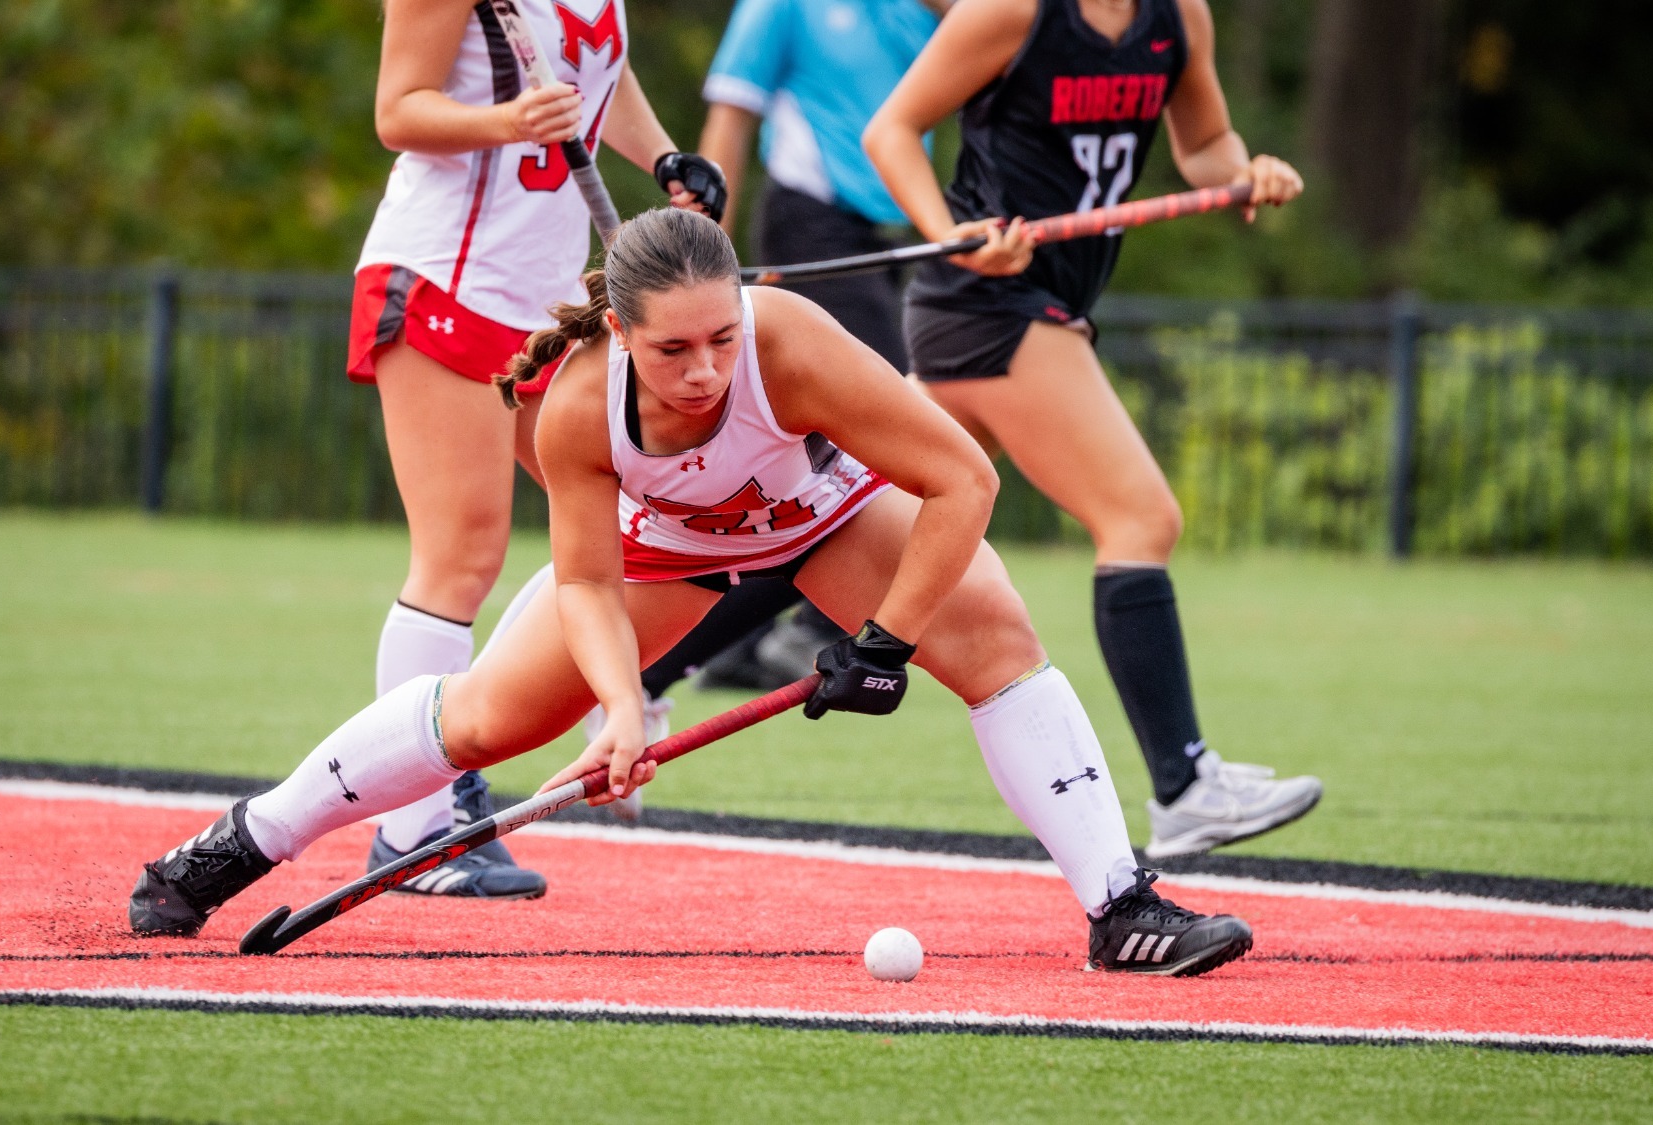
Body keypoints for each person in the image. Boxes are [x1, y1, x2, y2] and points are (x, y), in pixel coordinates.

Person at [130, 208, 1255, 977]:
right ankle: (241, 842)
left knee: (999, 645)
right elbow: (583, 579)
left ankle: (1121, 907)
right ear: (618, 332)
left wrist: (886, 641)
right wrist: (622, 710)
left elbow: (965, 479)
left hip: (829, 514)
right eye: (673, 350)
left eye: (722, 337)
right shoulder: (572, 410)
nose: (706, 370)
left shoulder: (793, 348)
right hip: (669, 545)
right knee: (482, 719)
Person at [863, 0, 1322, 858]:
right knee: (1141, 518)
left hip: (1024, 308)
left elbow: (1203, 147)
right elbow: (891, 130)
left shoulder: (1179, 17)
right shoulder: (1012, 13)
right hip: (991, 302)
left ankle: (651, 677)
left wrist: (1246, 172)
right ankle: (1185, 785)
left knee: (854, 521)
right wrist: (951, 237)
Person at [341, 0, 729, 897]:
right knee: (461, 555)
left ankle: (457, 755)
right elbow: (399, 109)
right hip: (447, 275)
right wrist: (504, 122)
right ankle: (414, 831)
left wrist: (664, 156)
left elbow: (600, 71)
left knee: (629, 520)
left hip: (544, 305)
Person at [632, 0, 949, 693]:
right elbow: (730, 120)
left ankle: (706, 652)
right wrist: (704, 258)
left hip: (889, 241)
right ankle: (803, 629)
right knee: (876, 435)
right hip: (813, 224)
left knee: (815, 465)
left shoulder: (916, 12)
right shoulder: (783, 6)